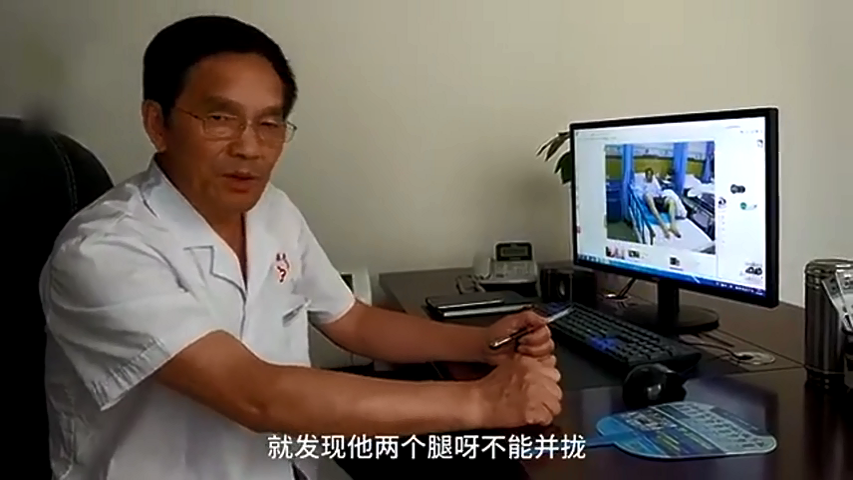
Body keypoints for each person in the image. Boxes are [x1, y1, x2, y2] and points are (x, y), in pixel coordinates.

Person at [40, 15, 561, 480]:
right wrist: (481, 402)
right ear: (158, 123)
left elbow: (352, 321)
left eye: (269, 124)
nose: (249, 146)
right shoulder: (104, 251)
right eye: (220, 119)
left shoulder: (272, 210)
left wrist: (482, 344)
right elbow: (256, 394)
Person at [639, 168, 684, 239]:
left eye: (650, 175)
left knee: (671, 201)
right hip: (650, 200)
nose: (649, 176)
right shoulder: (642, 184)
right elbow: (640, 194)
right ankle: (663, 226)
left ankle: (673, 225)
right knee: (647, 195)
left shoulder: (655, 182)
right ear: (645, 175)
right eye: (647, 175)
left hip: (658, 199)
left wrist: (659, 180)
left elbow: (660, 192)